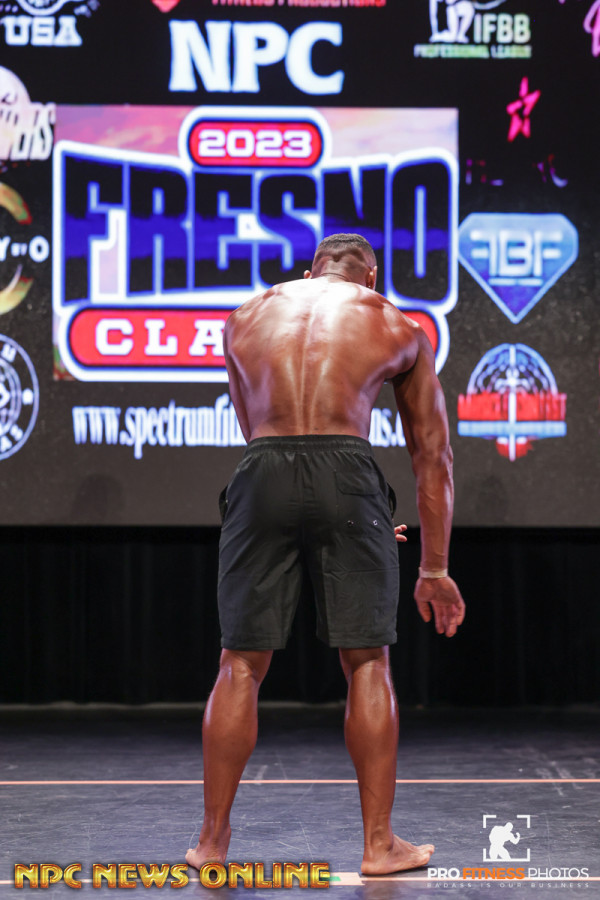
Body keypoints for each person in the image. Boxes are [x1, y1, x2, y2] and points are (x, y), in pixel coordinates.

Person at [186, 233, 465, 876]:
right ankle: (378, 846)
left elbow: (254, 430)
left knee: (239, 664)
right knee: (367, 661)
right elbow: (434, 456)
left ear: (310, 271)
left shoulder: (245, 317)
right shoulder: (394, 322)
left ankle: (211, 843)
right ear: (372, 276)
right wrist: (433, 567)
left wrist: (307, 495)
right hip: (348, 475)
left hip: (261, 471)